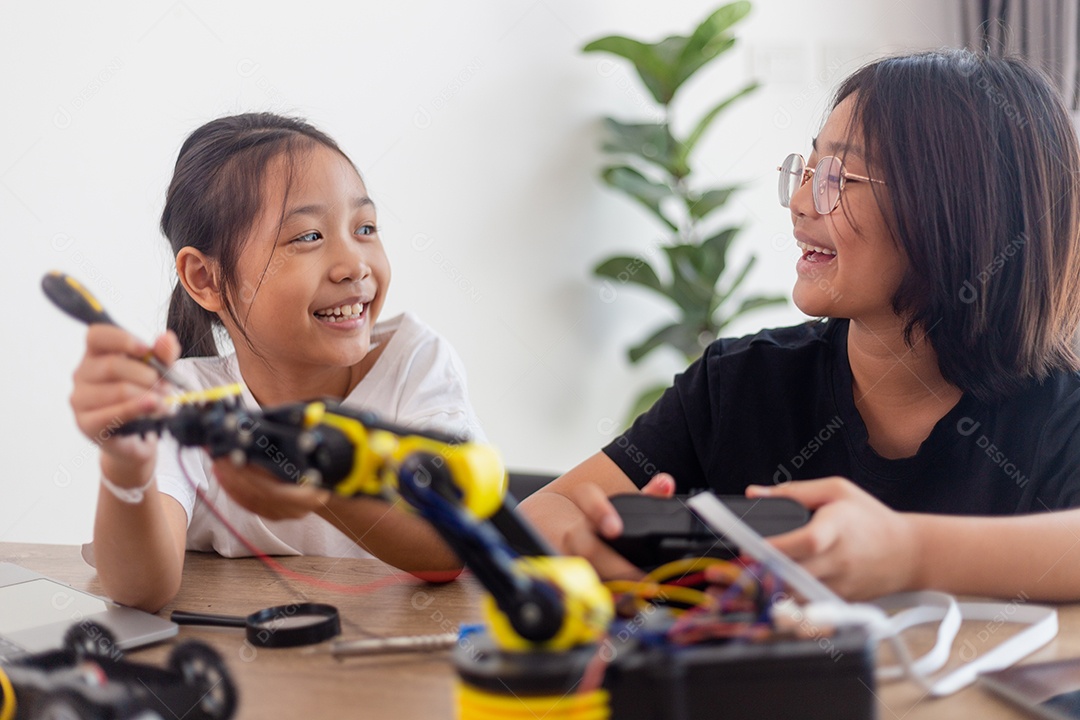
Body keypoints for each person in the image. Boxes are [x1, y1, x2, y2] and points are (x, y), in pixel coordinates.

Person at [519, 49, 1080, 602]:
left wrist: (905, 552)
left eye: (838, 176)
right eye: (808, 169)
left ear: (957, 211)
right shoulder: (739, 383)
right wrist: (582, 542)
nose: (803, 203)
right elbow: (543, 510)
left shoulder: (1060, 415)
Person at [70, 113, 475, 612]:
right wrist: (124, 467)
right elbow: (140, 590)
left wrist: (307, 471)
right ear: (206, 279)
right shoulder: (185, 402)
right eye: (308, 237)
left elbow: (451, 549)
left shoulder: (414, 363)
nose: (354, 265)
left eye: (365, 227)